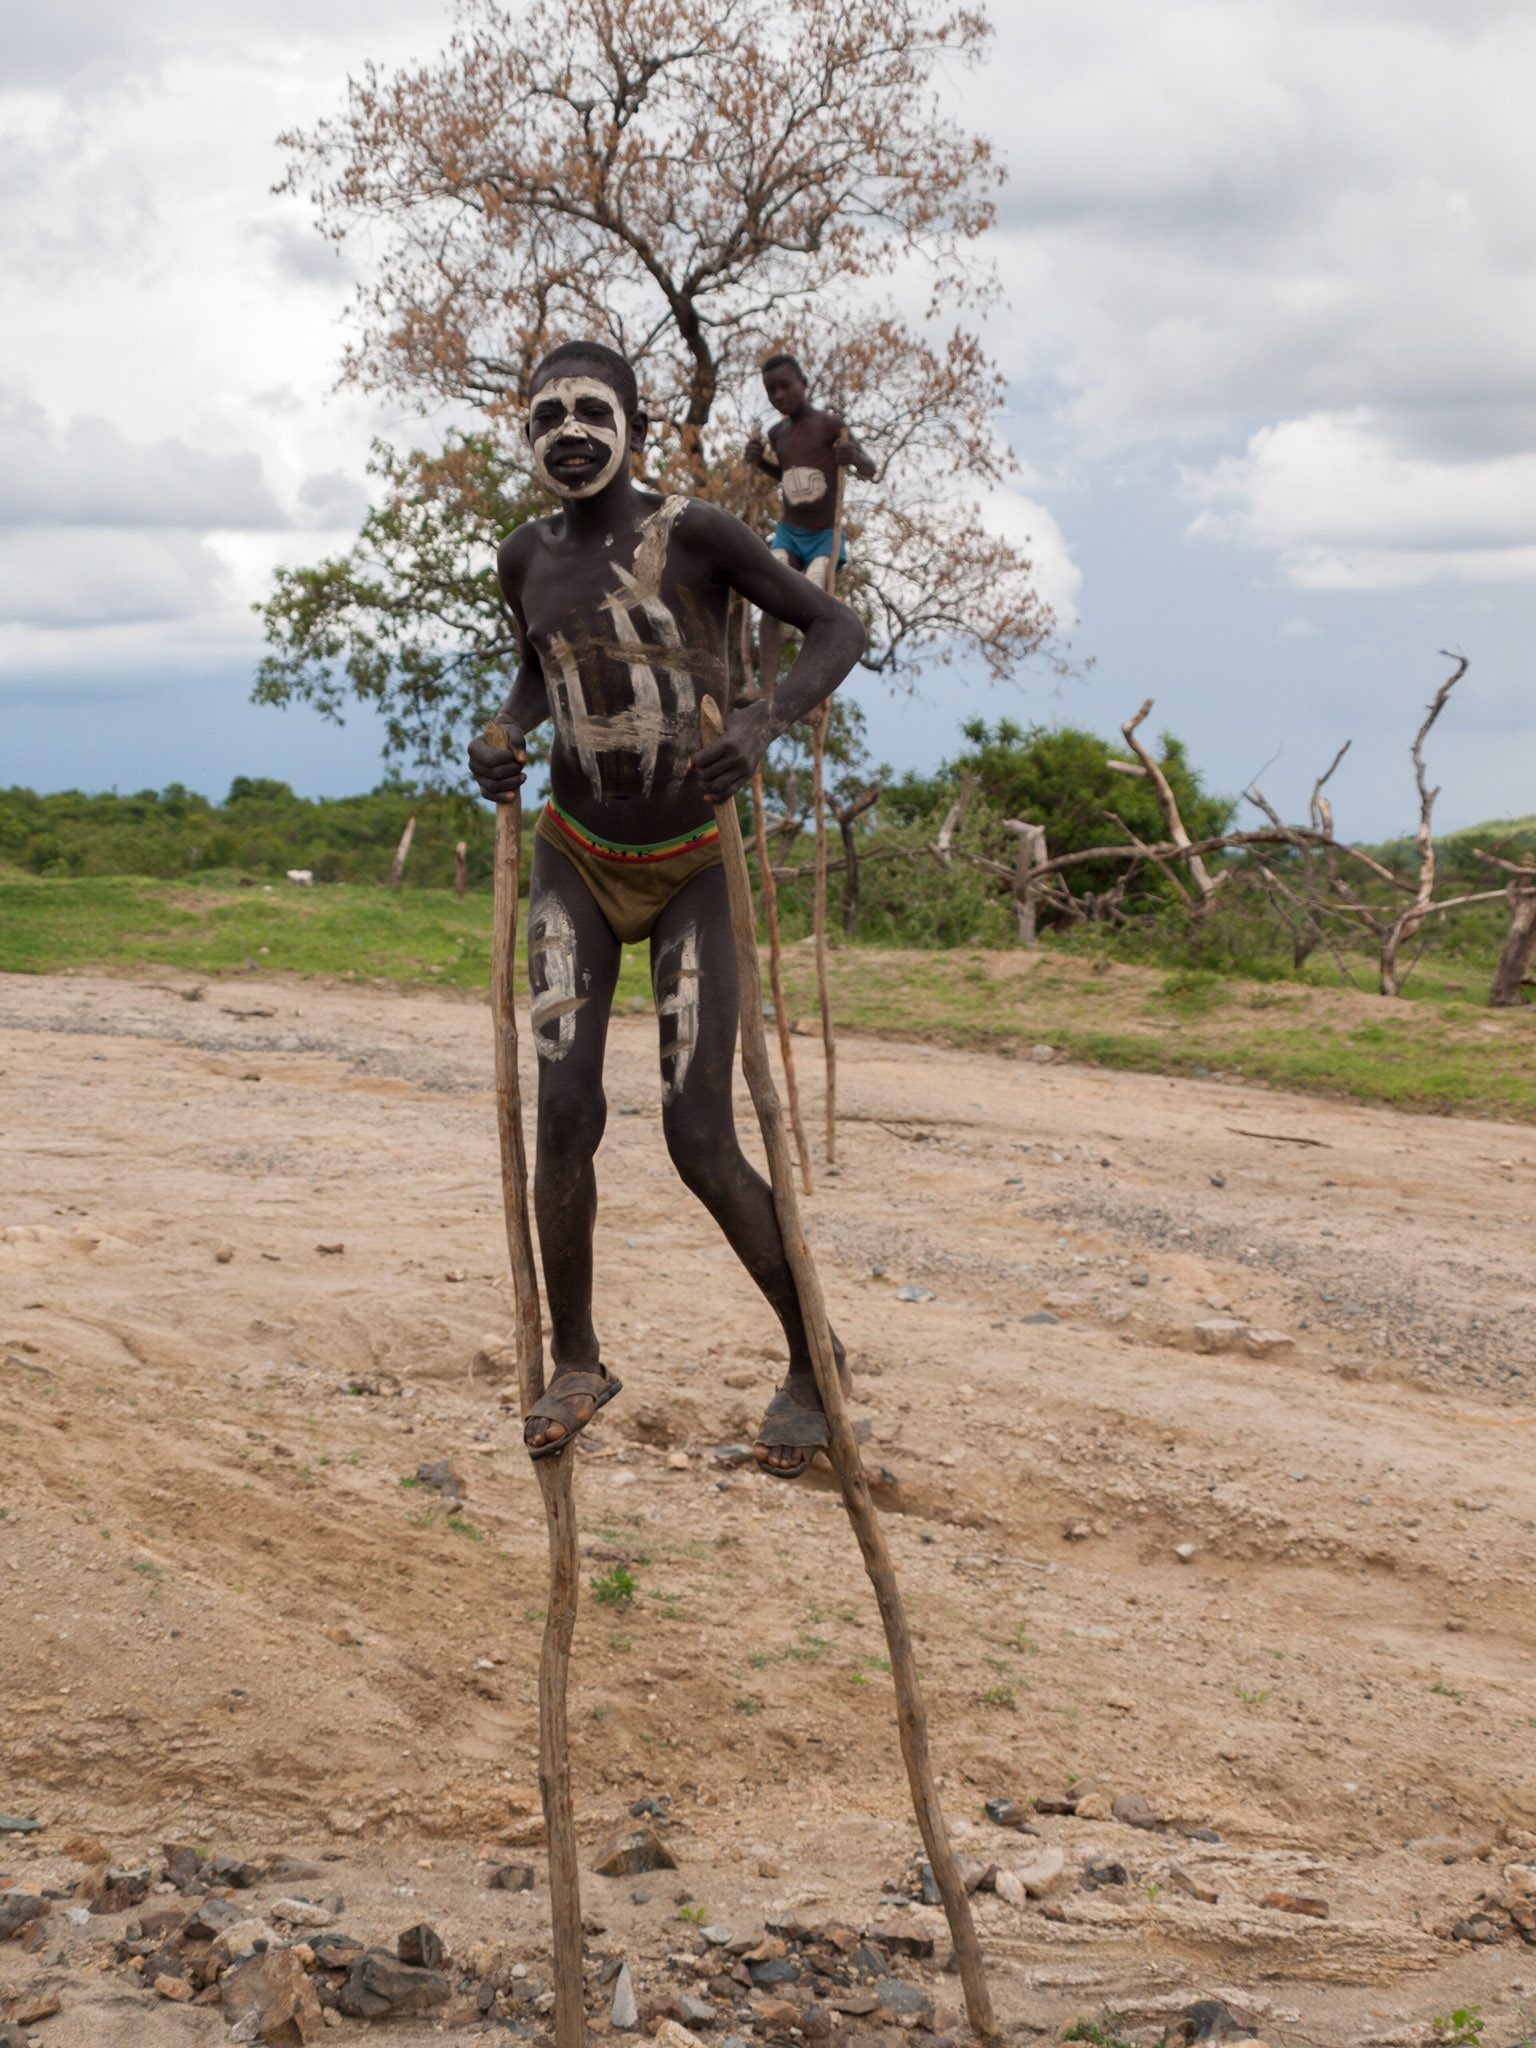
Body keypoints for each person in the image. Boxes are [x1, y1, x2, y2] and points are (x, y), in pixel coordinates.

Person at [468, 340, 865, 1477]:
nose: (570, 434)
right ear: (529, 436)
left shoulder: (696, 532)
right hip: (572, 857)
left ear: (635, 421)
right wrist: (504, 740)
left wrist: (762, 719)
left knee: (699, 1134)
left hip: (692, 860)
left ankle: (811, 1363)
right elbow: (538, 672)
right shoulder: (521, 557)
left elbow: (841, 630)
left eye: (591, 412)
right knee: (563, 1112)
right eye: (547, 419)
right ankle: (579, 1358)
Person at [744, 353, 876, 689]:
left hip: (823, 535)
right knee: (771, 595)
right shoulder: (777, 434)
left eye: (785, 386)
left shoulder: (831, 426)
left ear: (804, 383)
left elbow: (870, 469)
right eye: (771, 390)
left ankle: (804, 686)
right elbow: (788, 477)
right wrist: (760, 463)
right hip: (788, 533)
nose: (779, 396)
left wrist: (854, 456)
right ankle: (767, 688)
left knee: (814, 598)